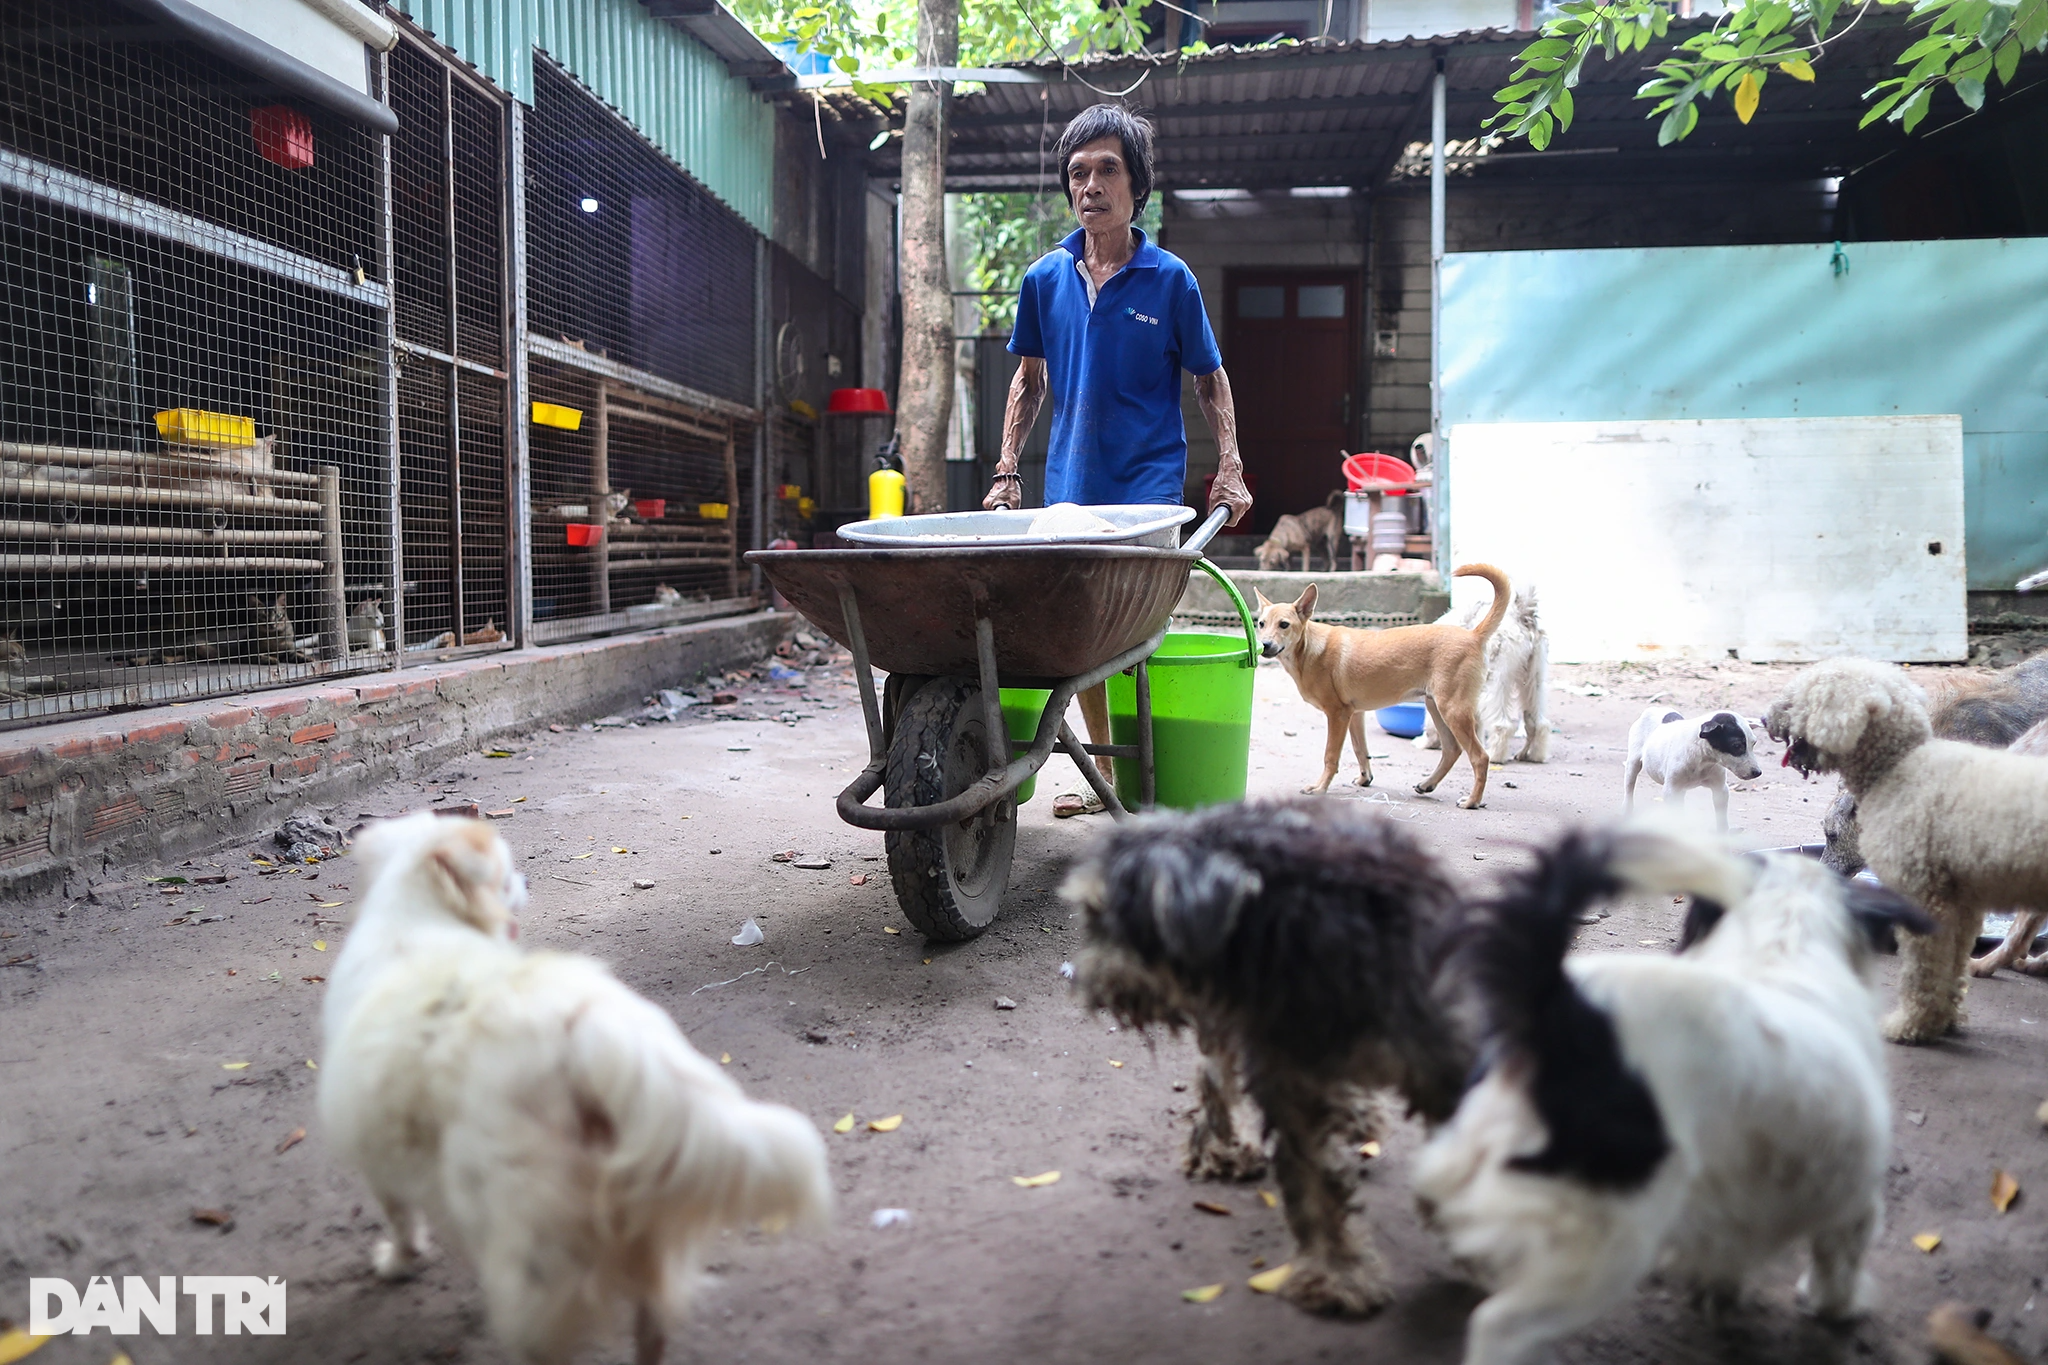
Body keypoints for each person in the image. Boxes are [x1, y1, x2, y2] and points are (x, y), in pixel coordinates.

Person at [984, 103, 1251, 816]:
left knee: (1133, 635)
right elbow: (1028, 378)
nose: (1091, 186)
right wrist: (1008, 470)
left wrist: (1230, 463)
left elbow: (1209, 377)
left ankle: (1142, 780)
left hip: (1148, 490)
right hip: (1070, 486)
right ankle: (1107, 781)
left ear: (1138, 186)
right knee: (1081, 640)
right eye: (1078, 173)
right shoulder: (1045, 278)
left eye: (1107, 170)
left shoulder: (1171, 280)